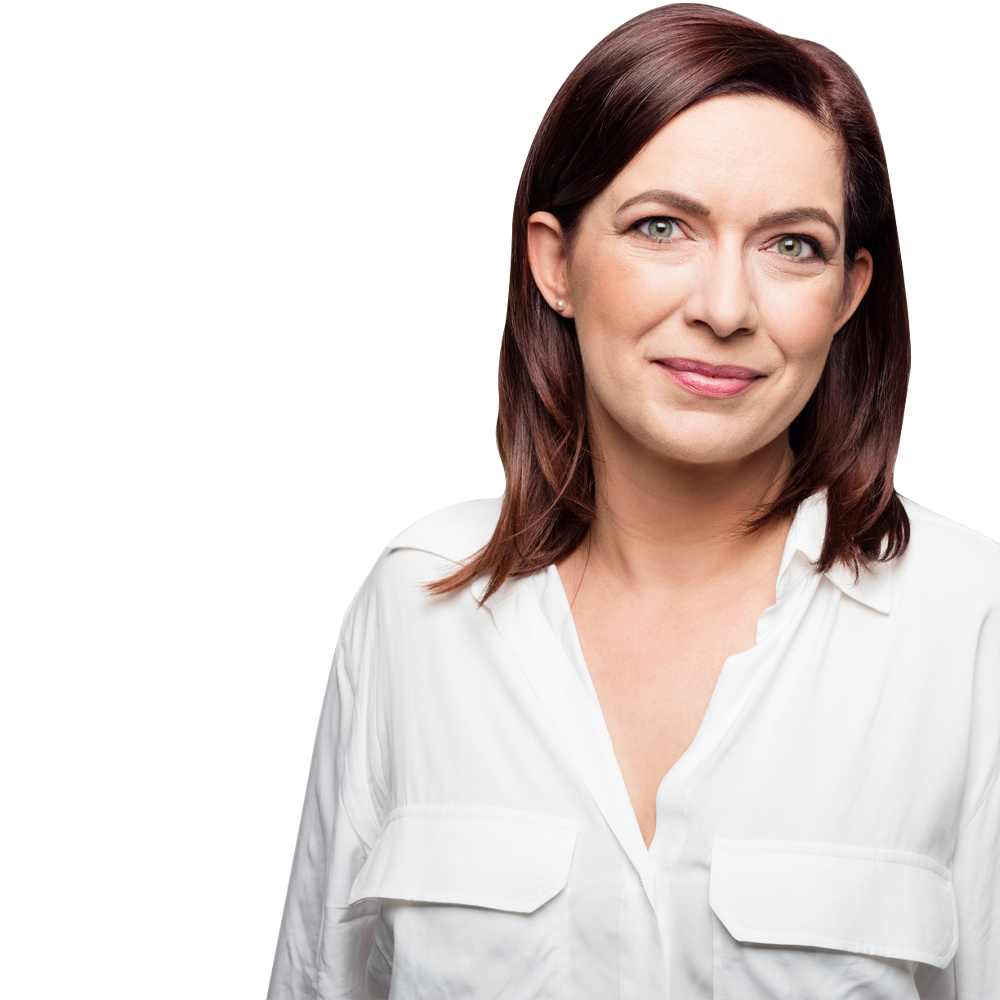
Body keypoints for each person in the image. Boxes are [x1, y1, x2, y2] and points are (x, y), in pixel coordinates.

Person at [270, 7, 999, 998]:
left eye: (792, 246)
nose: (725, 307)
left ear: (847, 293)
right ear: (555, 263)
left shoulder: (968, 624)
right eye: (664, 227)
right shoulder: (414, 608)